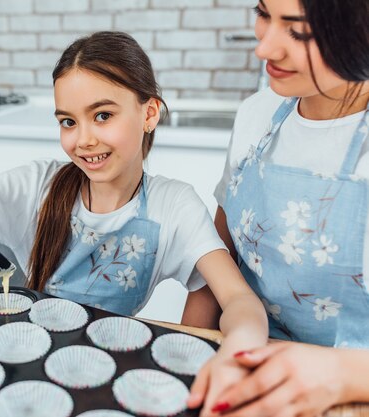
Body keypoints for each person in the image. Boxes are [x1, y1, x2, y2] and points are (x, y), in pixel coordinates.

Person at [0, 31, 267, 408]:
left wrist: (239, 353)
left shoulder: (173, 205)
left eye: (102, 115)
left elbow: (237, 297)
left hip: (107, 371)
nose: (83, 139)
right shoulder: (37, 185)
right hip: (27, 362)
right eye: (68, 122)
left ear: (149, 113)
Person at [184, 0, 369, 416]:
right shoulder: (257, 113)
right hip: (246, 365)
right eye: (263, 14)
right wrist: (188, 349)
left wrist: (340, 374)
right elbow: (221, 247)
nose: (264, 48)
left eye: (298, 31)